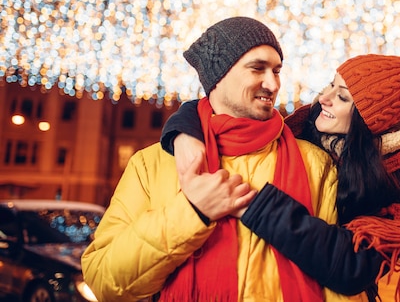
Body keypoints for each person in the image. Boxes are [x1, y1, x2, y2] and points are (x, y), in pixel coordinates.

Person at [81, 16, 353, 301]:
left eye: (277, 70)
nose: (272, 84)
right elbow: (103, 280)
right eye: (257, 69)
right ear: (218, 76)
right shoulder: (152, 164)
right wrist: (191, 212)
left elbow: (334, 282)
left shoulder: (315, 163)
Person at [162, 42, 400, 302]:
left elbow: (352, 268)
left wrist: (255, 206)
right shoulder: (302, 128)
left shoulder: (398, 185)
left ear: (369, 122)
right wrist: (184, 132)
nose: (324, 98)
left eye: (343, 97)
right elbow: (226, 112)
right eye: (330, 86)